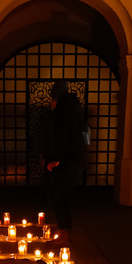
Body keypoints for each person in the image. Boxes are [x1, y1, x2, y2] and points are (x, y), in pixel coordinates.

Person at [42, 79, 87, 229]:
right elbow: (86, 133)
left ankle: (64, 232)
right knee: (64, 196)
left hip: (67, 160)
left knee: (54, 196)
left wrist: (56, 159)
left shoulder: (62, 110)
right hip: (78, 158)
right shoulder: (77, 108)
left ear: (54, 98)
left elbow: (62, 136)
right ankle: (66, 231)